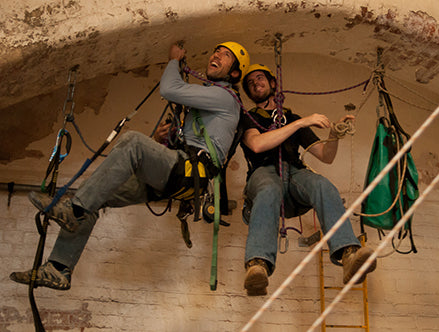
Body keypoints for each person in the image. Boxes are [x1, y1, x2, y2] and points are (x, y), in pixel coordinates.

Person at [10, 41, 250, 290]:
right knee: (97, 196)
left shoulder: (225, 96)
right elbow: (189, 143)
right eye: (217, 50)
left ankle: (75, 211)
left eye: (226, 55)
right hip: (180, 173)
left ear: (234, 73)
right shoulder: (207, 102)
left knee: (132, 142)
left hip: (190, 173)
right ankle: (59, 268)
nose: (216, 54)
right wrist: (159, 140)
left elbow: (169, 89)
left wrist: (173, 60)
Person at [239, 64, 376, 296]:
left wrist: (334, 135)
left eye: (260, 78)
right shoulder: (248, 118)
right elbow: (257, 144)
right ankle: (257, 265)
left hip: (294, 174)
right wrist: (301, 123)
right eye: (250, 83)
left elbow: (326, 156)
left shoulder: (290, 117)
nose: (255, 83)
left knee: (323, 185)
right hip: (263, 173)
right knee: (269, 190)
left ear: (273, 83)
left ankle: (349, 254)